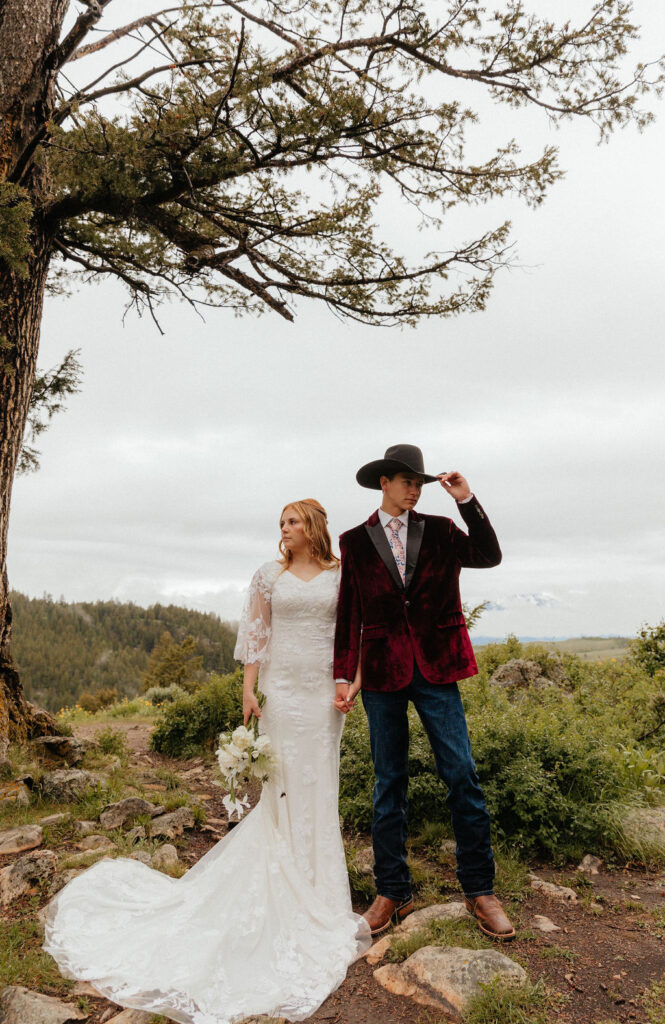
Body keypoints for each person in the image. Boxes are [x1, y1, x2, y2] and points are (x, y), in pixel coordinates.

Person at [43, 498, 370, 1024]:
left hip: (323, 695)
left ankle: (321, 892)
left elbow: (355, 631)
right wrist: (247, 690)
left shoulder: (341, 573)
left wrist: (353, 681)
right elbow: (255, 638)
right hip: (282, 691)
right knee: (282, 783)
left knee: (320, 783)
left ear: (314, 527)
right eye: (281, 523)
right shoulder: (268, 576)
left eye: (292, 521)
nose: (284, 529)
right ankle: (283, 883)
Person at [334, 444, 516, 941]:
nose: (415, 488)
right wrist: (342, 675)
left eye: (420, 482)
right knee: (388, 783)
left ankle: (481, 890)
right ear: (383, 484)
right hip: (382, 673)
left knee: (462, 775)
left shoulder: (440, 530)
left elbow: (489, 555)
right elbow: (349, 613)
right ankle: (392, 891)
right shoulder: (353, 541)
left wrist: (466, 500)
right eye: (406, 481)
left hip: (438, 669)